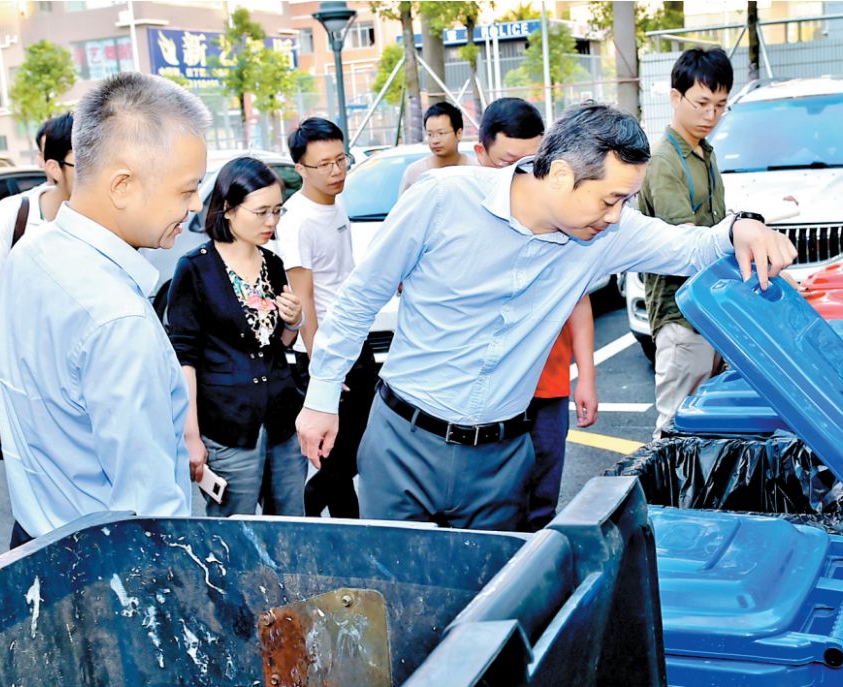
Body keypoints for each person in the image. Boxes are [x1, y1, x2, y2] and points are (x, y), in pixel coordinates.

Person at [295, 103, 797, 532]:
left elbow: (691, 246)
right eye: (610, 198)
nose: (618, 215)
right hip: (403, 443)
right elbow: (359, 299)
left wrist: (744, 228)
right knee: (394, 607)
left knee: (487, 614)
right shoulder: (441, 200)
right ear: (559, 174)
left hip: (502, 459)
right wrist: (321, 400)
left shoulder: (605, 235)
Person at [0, 73, 210, 547]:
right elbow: (150, 518)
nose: (195, 205)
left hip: (35, 536)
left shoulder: (30, 254)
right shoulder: (119, 322)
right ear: (123, 185)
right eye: (186, 189)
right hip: (105, 571)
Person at [476, 97, 598, 531]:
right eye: (510, 160)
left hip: (548, 389)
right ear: (481, 154)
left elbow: (578, 299)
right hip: (490, 395)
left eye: (534, 159)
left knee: (543, 498)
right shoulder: (465, 218)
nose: (524, 170)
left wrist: (586, 376)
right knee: (494, 504)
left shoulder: (560, 216)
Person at [168, 157, 307, 517]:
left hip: (281, 418)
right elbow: (185, 359)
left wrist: (293, 322)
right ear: (228, 209)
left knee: (291, 526)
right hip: (227, 426)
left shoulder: (272, 264)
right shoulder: (195, 268)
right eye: (261, 212)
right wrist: (191, 436)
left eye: (277, 211)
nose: (271, 222)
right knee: (233, 536)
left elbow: (278, 344)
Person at [274, 117, 372, 518]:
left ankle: (345, 532)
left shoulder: (337, 202)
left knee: (344, 460)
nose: (336, 171)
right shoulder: (297, 219)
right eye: (324, 164)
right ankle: (299, 521)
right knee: (339, 459)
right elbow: (305, 298)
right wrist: (322, 368)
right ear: (300, 169)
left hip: (352, 341)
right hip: (327, 352)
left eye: (341, 160)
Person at [639, 47, 735, 439]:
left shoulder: (704, 153)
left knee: (709, 426)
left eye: (720, 105)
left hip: (710, 315)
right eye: (701, 103)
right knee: (676, 431)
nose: (710, 115)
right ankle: (661, 503)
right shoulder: (665, 161)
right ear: (675, 97)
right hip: (682, 320)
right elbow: (686, 245)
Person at [0, 111, 76, 347]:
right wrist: (16, 365)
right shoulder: (12, 214)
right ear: (54, 168)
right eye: (82, 165)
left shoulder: (110, 222)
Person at [398, 101, 473, 195]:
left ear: (459, 133)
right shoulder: (414, 173)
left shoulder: (477, 169)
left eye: (441, 133)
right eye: (430, 134)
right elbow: (404, 208)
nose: (435, 141)